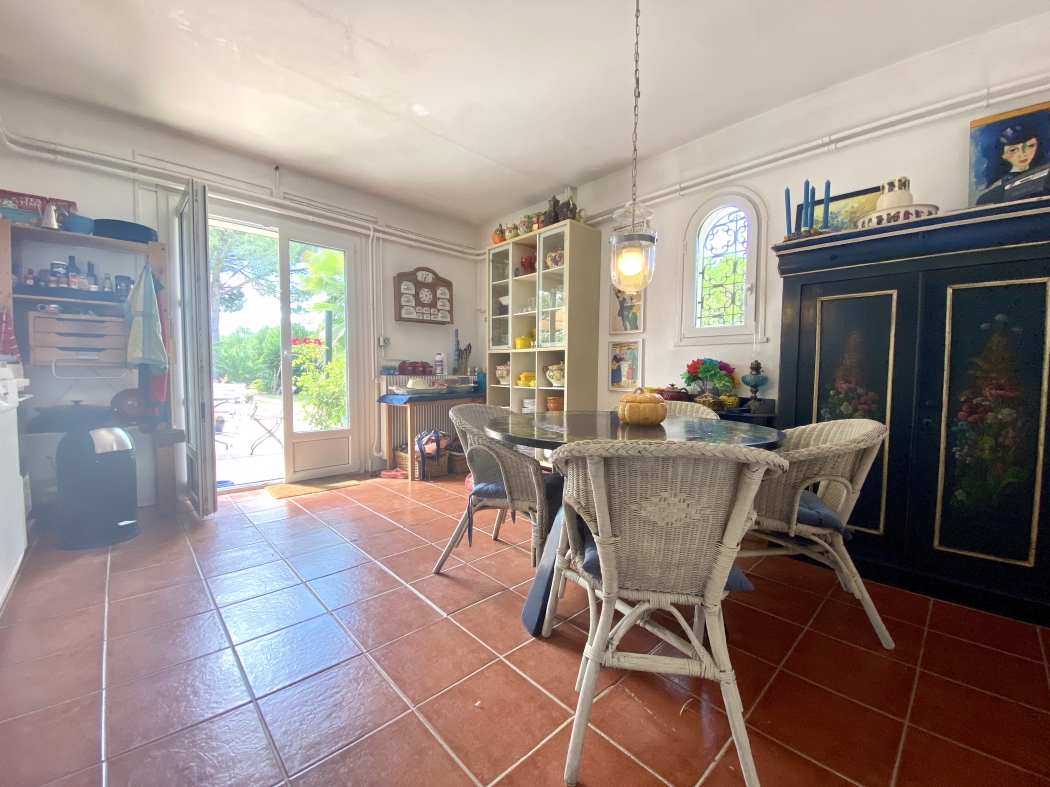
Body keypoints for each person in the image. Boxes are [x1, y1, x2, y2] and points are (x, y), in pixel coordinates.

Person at [977, 120, 1046, 205]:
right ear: (1002, 154)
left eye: (1030, 146)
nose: (1023, 154)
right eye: (1013, 150)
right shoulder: (995, 191)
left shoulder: (1044, 173)